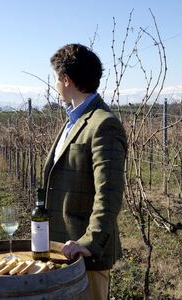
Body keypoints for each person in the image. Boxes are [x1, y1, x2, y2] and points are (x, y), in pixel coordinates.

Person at [42, 43, 127, 300]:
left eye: (56, 79)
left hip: (85, 256)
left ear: (66, 80)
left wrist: (89, 243)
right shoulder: (74, 120)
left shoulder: (104, 124)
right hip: (61, 250)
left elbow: (109, 192)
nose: (55, 85)